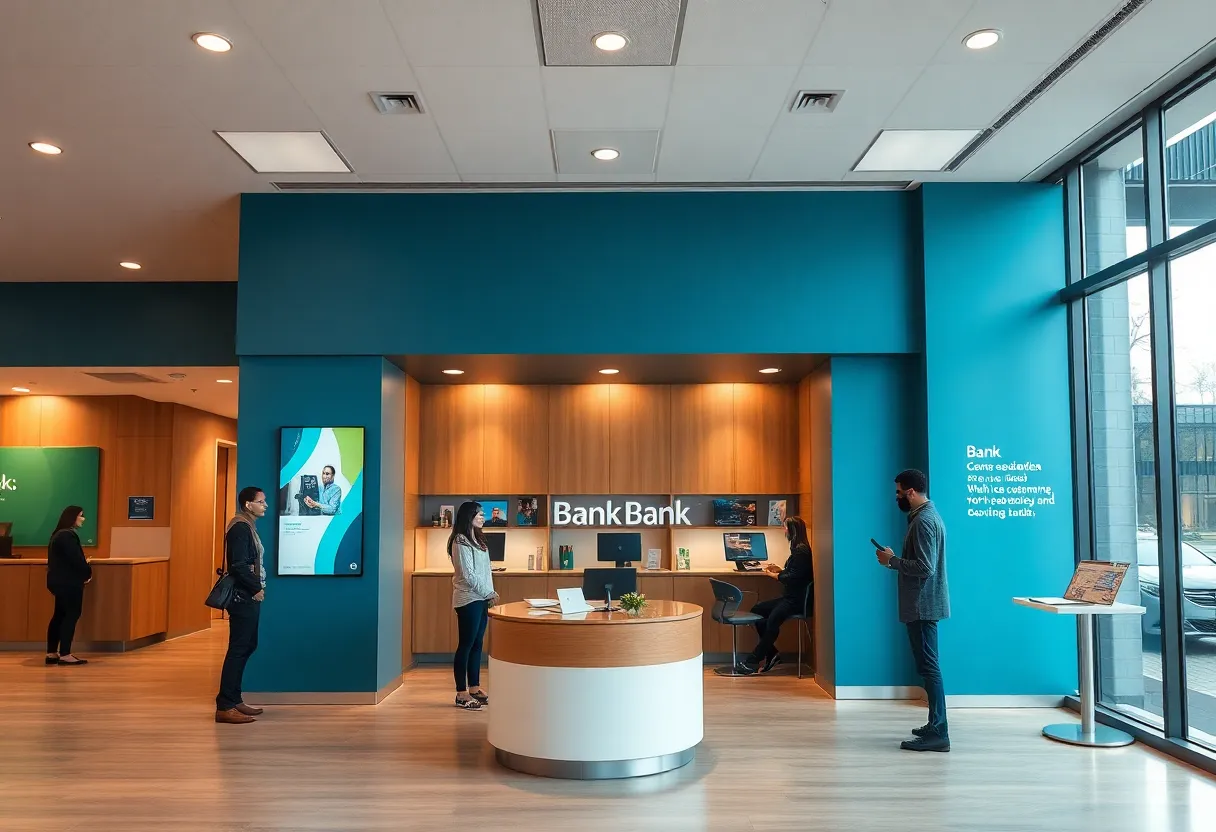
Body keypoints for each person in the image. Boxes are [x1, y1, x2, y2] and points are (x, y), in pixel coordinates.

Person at [875, 468, 951, 752]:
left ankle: (939, 732)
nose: (896, 497)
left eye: (898, 492)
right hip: (925, 603)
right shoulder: (927, 517)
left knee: (929, 667)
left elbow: (924, 567)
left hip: (922, 605)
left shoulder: (923, 522)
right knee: (927, 666)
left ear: (910, 492)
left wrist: (892, 561)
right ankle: (935, 724)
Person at [734, 516, 814, 676]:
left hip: (796, 601)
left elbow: (791, 578)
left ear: (792, 530)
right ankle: (772, 653)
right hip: (789, 598)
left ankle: (753, 662)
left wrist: (773, 575)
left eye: (785, 528)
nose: (784, 531)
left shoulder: (801, 551)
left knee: (772, 622)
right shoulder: (797, 549)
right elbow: (793, 573)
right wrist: (779, 570)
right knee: (757, 610)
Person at [215, 486, 268, 724]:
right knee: (239, 648)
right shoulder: (239, 528)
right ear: (248, 504)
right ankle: (225, 705)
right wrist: (255, 588)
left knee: (247, 645)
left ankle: (234, 700)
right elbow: (238, 564)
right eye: (261, 501)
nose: (265, 505)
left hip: (248, 595)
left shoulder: (247, 526)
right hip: (243, 596)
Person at [448, 501, 497, 710]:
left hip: (481, 598)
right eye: (479, 513)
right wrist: (487, 592)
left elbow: (485, 571)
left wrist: (488, 594)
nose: (483, 516)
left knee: (477, 644)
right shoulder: (460, 540)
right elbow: (468, 574)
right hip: (468, 599)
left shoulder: (478, 538)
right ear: (469, 516)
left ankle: (475, 688)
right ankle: (461, 694)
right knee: (466, 645)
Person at [46, 506, 92, 666]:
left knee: (59, 615)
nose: (83, 519)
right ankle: (65, 654)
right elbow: (76, 560)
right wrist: (87, 572)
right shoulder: (67, 535)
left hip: (58, 582)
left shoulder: (58, 534)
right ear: (72, 517)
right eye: (81, 515)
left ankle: (52, 653)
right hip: (69, 582)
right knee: (71, 615)